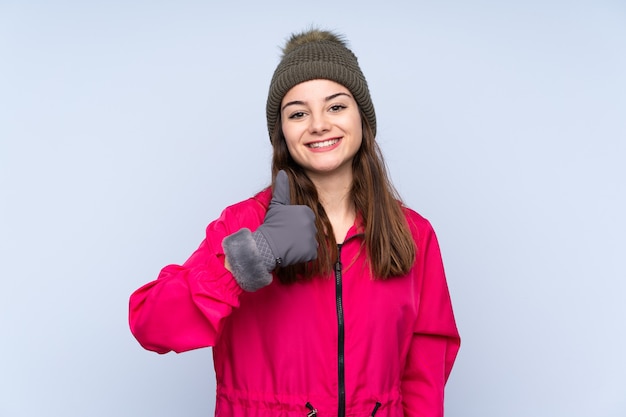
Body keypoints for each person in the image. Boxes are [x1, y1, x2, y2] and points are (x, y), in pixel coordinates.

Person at [129, 28, 460, 417]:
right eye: (298, 113)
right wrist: (248, 258)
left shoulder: (413, 234)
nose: (318, 124)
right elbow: (151, 325)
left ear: (362, 117)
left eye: (336, 106)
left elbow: (427, 364)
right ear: (282, 133)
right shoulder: (245, 224)